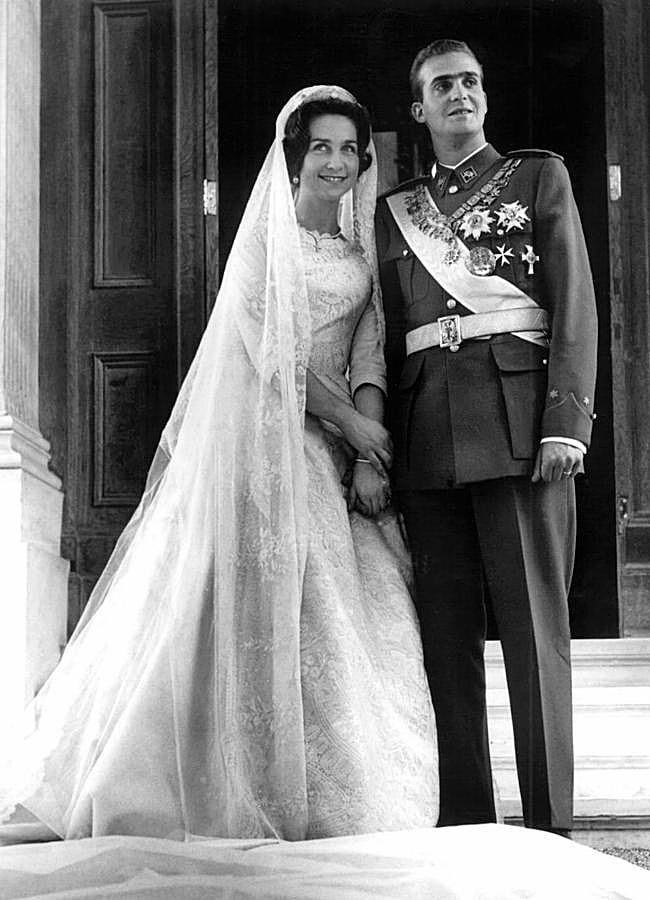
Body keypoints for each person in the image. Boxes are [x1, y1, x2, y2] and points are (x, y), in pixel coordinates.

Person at [0, 85, 438, 841]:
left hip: (344, 445)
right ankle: (206, 778)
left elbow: (369, 348)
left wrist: (371, 443)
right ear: (295, 158)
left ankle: (345, 789)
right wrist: (347, 428)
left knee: (359, 603)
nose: (335, 162)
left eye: (348, 149)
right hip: (272, 438)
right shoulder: (265, 246)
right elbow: (272, 355)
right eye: (321, 147)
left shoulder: (361, 251)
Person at [375, 40, 598, 835]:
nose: (460, 93)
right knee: (445, 645)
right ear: (419, 109)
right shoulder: (394, 210)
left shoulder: (539, 177)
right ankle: (466, 822)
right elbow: (387, 328)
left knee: (536, 641)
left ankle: (548, 827)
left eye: (471, 81)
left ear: (485, 97)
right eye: (443, 85)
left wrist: (566, 422)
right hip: (426, 440)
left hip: (519, 433)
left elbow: (573, 303)